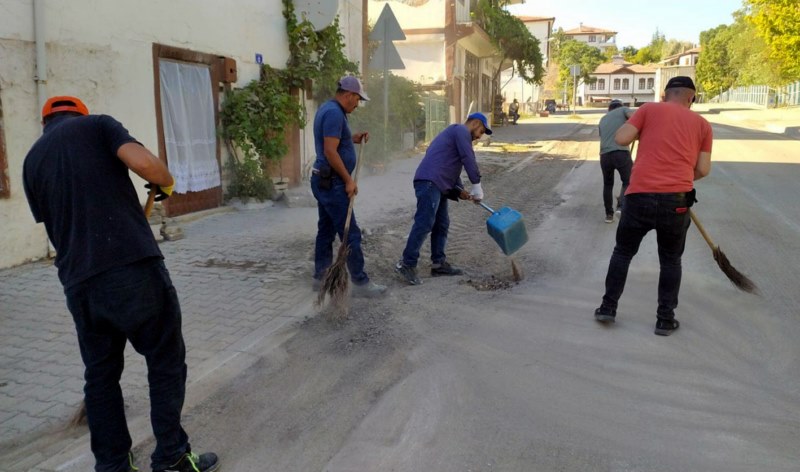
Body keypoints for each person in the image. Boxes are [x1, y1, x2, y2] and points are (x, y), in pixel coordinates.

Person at [22, 96, 219, 472]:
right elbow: (145, 164)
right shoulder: (97, 125)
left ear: (46, 123)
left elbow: (56, 221)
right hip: (131, 269)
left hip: (79, 282)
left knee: (100, 376)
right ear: (78, 114)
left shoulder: (32, 161)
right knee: (164, 360)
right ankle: (172, 457)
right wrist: (165, 181)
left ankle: (112, 465)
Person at [594, 76, 712, 336]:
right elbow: (703, 169)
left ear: (664, 93)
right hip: (677, 201)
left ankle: (607, 308)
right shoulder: (703, 125)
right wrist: (677, 177)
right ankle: (665, 320)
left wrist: (640, 128)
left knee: (623, 253)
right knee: (670, 261)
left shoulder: (648, 110)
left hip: (639, 196)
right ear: (691, 97)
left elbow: (623, 138)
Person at [310, 76, 386, 297]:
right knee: (350, 233)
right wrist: (348, 180)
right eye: (357, 99)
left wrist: (352, 138)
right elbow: (330, 151)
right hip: (332, 182)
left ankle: (320, 277)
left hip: (323, 179)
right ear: (349, 95)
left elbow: (334, 141)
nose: (358, 103)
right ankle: (361, 283)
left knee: (325, 230)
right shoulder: (334, 113)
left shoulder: (328, 109)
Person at [394, 112, 490, 285]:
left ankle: (438, 263)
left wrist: (460, 190)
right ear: (475, 123)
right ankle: (406, 264)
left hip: (438, 184)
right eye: (481, 131)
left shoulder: (452, 133)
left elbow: (447, 164)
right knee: (424, 223)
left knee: (442, 224)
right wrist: (477, 185)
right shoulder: (461, 131)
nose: (480, 136)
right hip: (430, 182)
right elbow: (467, 158)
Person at [598, 99, 635, 223]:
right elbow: (635, 118)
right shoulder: (624, 110)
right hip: (620, 152)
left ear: (609, 109)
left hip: (604, 155)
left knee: (608, 185)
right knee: (628, 181)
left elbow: (602, 137)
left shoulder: (603, 119)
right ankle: (621, 206)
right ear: (620, 106)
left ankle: (609, 215)